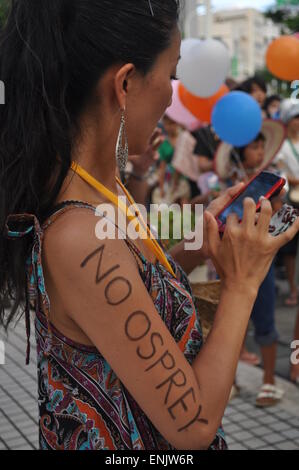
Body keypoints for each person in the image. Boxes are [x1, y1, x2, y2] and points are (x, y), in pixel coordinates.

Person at [1, 0, 298, 451]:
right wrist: (243, 282)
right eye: (172, 76)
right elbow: (193, 426)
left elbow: (131, 292)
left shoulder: (99, 190)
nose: (172, 95)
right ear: (124, 83)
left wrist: (197, 244)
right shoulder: (81, 235)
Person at [215, 120, 287, 406]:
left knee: (265, 321)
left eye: (261, 146)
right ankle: (228, 380)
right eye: (253, 146)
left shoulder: (272, 179)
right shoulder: (227, 179)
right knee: (229, 321)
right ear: (240, 150)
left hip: (261, 263)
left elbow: (278, 214)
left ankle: (268, 382)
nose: (258, 151)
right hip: (230, 260)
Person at [275, 102, 299, 306]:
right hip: (291, 201)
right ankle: (293, 288)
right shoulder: (281, 146)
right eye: (295, 117)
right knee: (290, 249)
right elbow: (281, 173)